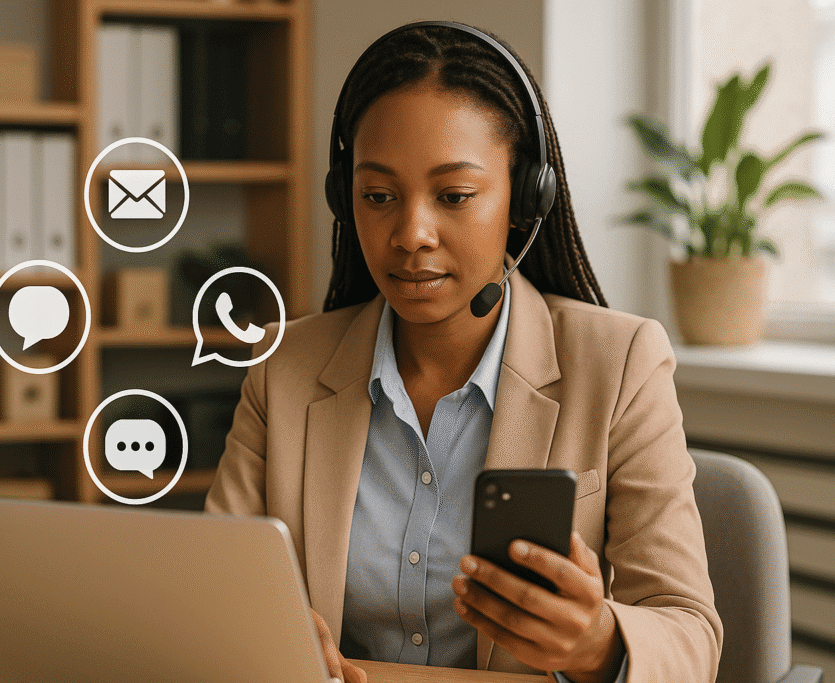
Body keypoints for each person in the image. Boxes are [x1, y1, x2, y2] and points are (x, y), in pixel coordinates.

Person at [205, 21, 722, 683]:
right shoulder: (286, 369)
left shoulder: (621, 363)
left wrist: (598, 643)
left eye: (453, 196)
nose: (411, 233)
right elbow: (220, 590)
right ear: (345, 199)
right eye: (378, 197)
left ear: (523, 199)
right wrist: (265, 637)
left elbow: (690, 633)